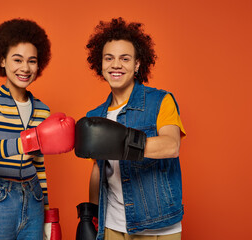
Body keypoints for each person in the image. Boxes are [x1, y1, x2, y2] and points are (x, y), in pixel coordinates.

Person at [75, 18, 186, 240]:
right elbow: (98, 170)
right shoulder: (94, 116)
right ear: (101, 64)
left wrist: (120, 141)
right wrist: (90, 216)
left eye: (124, 59)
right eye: (109, 58)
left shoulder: (161, 101)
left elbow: (171, 146)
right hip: (112, 225)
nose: (116, 65)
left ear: (137, 64)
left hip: (157, 226)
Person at [0, 18, 73, 240]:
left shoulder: (42, 110)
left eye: (32, 61)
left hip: (33, 198)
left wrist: (47, 213)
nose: (25, 68)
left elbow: (39, 165)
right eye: (17, 59)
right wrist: (28, 140)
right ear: (2, 60)